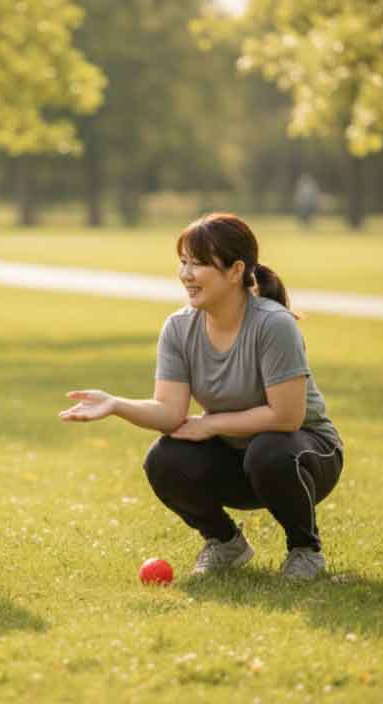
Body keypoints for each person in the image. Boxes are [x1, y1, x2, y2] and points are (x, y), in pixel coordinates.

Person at [59, 212, 343, 580]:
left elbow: (286, 417)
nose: (186, 275)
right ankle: (226, 543)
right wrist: (116, 404)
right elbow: (169, 411)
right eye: (183, 263)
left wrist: (210, 424)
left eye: (199, 264)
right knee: (165, 458)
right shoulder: (179, 328)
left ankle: (305, 551)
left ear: (235, 270)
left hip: (303, 456)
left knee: (268, 450)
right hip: (240, 460)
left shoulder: (274, 325)